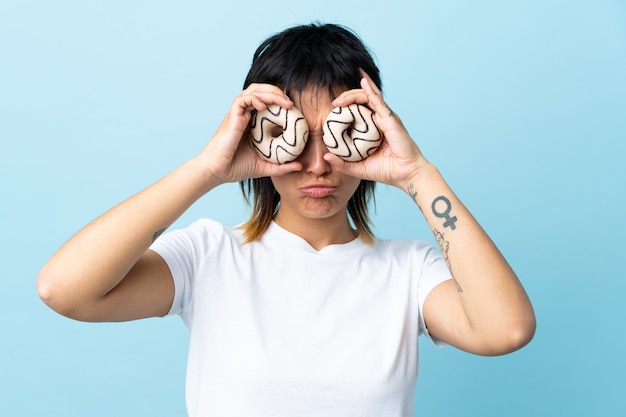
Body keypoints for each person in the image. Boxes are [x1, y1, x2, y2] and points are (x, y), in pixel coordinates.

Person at [37, 23, 536, 417]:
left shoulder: (410, 271)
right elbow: (64, 289)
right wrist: (206, 169)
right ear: (256, 133)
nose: (318, 164)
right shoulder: (208, 256)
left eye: (339, 134)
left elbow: (506, 330)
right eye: (296, 134)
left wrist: (418, 174)